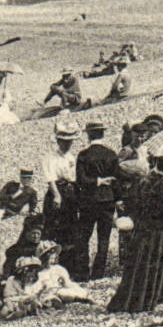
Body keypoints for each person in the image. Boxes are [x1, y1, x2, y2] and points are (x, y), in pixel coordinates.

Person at [70, 119, 119, 281]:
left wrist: (96, 181)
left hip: (88, 201)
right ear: (103, 133)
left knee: (84, 237)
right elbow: (117, 180)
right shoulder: (111, 154)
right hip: (107, 200)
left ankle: (83, 272)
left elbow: (81, 180)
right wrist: (117, 198)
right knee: (103, 238)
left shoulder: (84, 155)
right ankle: (98, 274)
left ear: (89, 135)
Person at [40, 119, 81, 247]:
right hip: (57, 190)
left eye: (70, 142)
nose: (67, 144)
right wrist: (57, 195)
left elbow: (73, 176)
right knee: (54, 224)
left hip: (70, 191)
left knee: (70, 223)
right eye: (64, 142)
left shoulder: (71, 157)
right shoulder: (51, 157)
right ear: (58, 141)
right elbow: (50, 178)